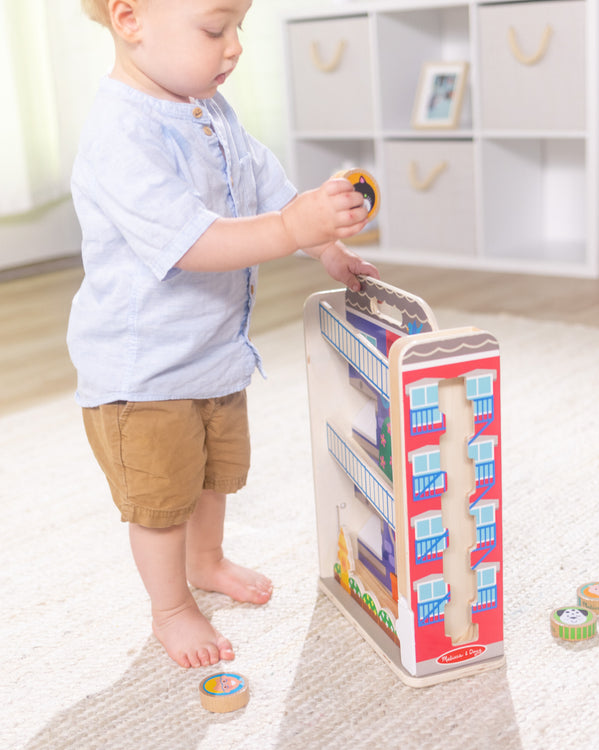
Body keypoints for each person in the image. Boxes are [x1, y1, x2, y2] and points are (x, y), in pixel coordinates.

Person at [69, 0, 379, 669]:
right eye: (215, 28)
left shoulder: (208, 108)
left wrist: (320, 242)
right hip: (143, 373)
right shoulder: (121, 133)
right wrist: (293, 227)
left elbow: (267, 191)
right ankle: (171, 606)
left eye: (239, 27)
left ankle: (206, 562)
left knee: (211, 478)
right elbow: (194, 243)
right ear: (129, 20)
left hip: (212, 354)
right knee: (161, 501)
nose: (234, 47)